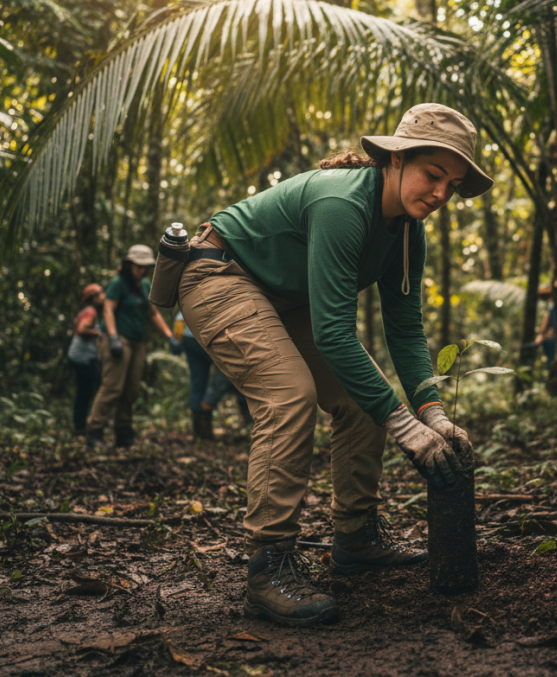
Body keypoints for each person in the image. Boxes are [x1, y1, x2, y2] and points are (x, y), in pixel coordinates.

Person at [176, 104, 490, 626]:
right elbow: (335, 333)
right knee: (289, 393)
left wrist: (432, 414)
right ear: (395, 160)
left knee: (362, 395)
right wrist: (404, 426)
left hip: (284, 295)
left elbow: (407, 331)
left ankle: (357, 537)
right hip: (218, 274)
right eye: (432, 174)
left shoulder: (410, 234)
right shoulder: (343, 203)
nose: (439, 194)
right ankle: (268, 568)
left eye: (451, 185)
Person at [85, 245, 176, 448]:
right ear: (129, 265)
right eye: (139, 266)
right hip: (118, 340)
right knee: (112, 388)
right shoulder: (118, 283)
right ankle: (94, 430)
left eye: (146, 267)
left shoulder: (144, 285)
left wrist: (170, 336)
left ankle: (123, 431)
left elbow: (153, 313)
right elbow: (108, 309)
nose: (143, 270)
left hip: (137, 342)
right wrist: (113, 337)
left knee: (131, 390)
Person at [173, 312, 251, 440]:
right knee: (230, 373)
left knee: (198, 382)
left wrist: (176, 342)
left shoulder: (193, 293)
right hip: (210, 336)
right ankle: (208, 410)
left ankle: (201, 433)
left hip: (189, 337)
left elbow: (179, 319)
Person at [68, 283, 105, 435]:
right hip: (81, 357)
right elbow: (82, 329)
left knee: (89, 389)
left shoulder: (89, 311)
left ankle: (82, 425)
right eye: (100, 294)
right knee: (86, 391)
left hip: (84, 356)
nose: (103, 297)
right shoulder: (90, 311)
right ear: (93, 298)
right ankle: (81, 427)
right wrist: (100, 333)